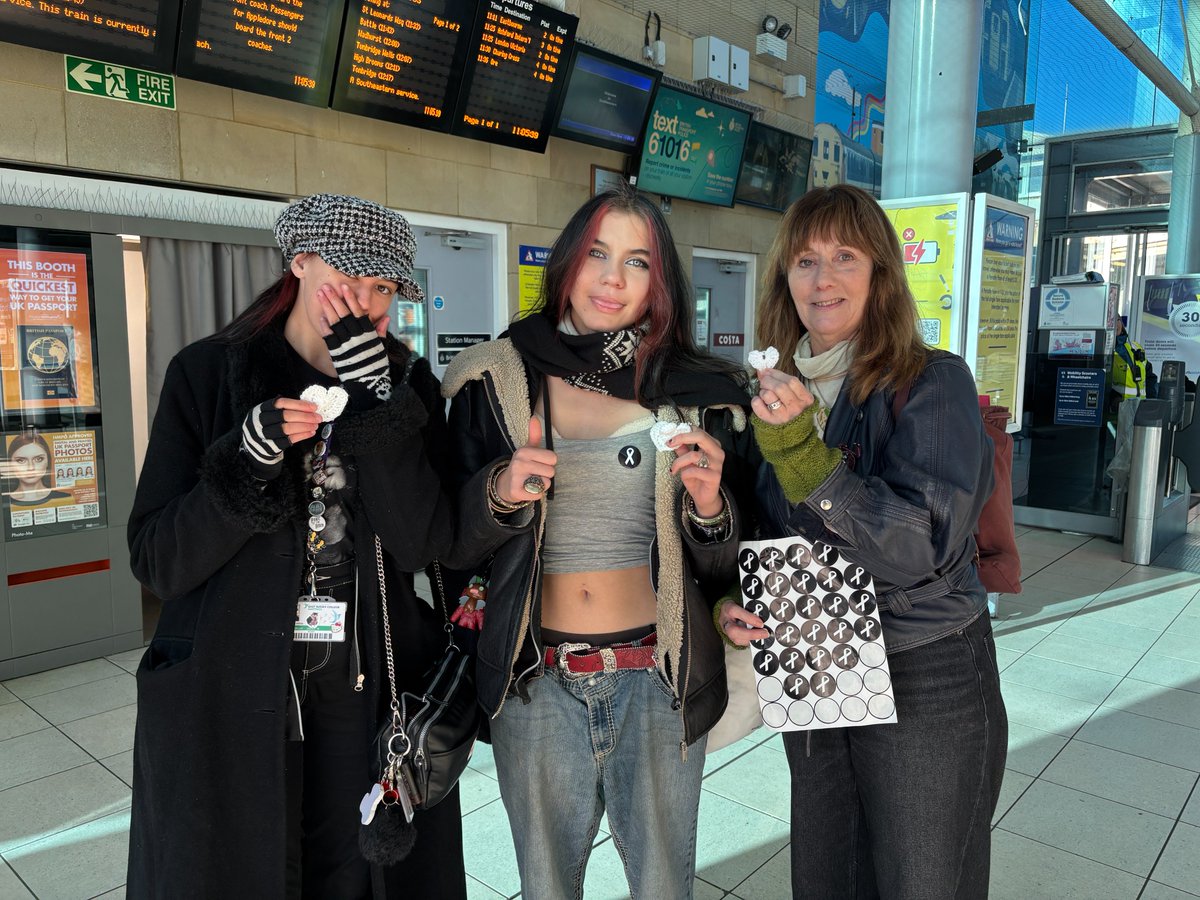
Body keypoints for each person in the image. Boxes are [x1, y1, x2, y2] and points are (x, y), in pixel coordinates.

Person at [126, 194, 465, 899]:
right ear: (301, 261)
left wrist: (379, 407)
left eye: (385, 288)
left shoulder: (408, 387)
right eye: (352, 279)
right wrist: (242, 465)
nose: (368, 304)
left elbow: (421, 543)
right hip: (235, 687)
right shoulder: (206, 375)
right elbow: (157, 557)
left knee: (358, 873)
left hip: (367, 692)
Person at [441, 186, 752, 899]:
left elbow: (724, 562)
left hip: (658, 678)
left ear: (660, 281)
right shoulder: (495, 378)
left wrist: (709, 505)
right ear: (568, 266)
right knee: (547, 888)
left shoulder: (695, 389)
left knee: (663, 886)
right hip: (536, 683)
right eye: (597, 255)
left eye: (637, 262)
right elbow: (449, 542)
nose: (613, 279)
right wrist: (498, 493)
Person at [718, 184, 1007, 898]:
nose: (824, 279)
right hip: (815, 651)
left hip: (923, 662)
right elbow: (760, 529)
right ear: (784, 277)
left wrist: (802, 451)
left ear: (880, 272)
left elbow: (920, 545)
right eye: (806, 260)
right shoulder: (772, 391)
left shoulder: (930, 380)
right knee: (827, 876)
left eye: (846, 256)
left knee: (921, 877)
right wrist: (731, 596)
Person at [3, 431, 70, 504]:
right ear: (10, 464)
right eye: (21, 460)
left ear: (48, 461)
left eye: (38, 459)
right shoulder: (3, 502)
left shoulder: (64, 498)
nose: (31, 467)